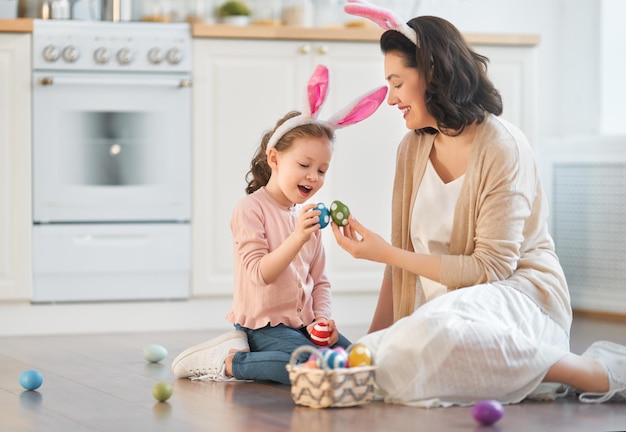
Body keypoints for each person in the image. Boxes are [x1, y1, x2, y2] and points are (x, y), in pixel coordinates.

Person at [328, 0, 626, 407]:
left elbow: (491, 269)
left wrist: (388, 254)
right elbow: (400, 262)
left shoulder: (502, 147)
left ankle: (587, 371)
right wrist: (367, 348)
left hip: (519, 300)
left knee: (440, 332)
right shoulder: (411, 150)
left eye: (397, 83)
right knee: (402, 347)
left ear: (432, 74)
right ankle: (516, 372)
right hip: (442, 315)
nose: (390, 98)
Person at [171, 65, 387, 385]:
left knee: (359, 362)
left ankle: (305, 351)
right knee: (310, 368)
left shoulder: (309, 218)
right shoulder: (250, 209)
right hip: (263, 328)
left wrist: (323, 320)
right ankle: (229, 361)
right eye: (304, 165)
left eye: (322, 169)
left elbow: (320, 281)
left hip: (303, 326)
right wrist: (298, 237)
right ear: (274, 159)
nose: (313, 176)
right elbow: (260, 274)